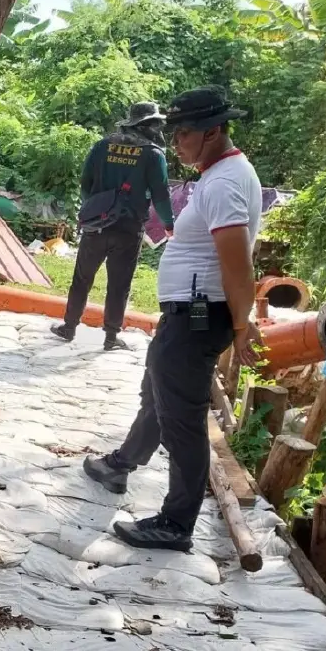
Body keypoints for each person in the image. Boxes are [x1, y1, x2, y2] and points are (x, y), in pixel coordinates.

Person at [83, 86, 262, 551]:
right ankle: (121, 463)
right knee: (160, 391)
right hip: (191, 311)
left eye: (184, 132)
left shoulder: (223, 183)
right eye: (175, 131)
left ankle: (175, 524)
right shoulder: (221, 174)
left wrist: (243, 326)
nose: (176, 140)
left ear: (214, 131)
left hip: (198, 313)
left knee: (181, 420)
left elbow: (238, 263)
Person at [51, 101, 176, 351]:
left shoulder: (102, 146)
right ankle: (110, 337)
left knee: (82, 278)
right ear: (147, 125)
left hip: (95, 226)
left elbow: (85, 183)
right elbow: (161, 195)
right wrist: (169, 225)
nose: (158, 128)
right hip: (128, 229)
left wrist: (96, 209)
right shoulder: (153, 154)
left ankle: (69, 326)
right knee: (119, 283)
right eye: (155, 123)